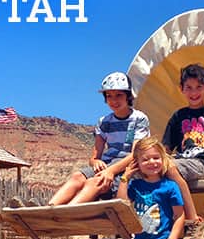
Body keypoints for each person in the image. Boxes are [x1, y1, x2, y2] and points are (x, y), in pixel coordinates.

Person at [49, 72, 151, 205]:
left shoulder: (139, 119)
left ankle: (67, 212)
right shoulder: (104, 121)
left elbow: (135, 154)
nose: (114, 100)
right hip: (108, 164)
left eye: (119, 95)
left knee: (95, 182)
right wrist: (96, 162)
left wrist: (110, 171)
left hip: (126, 167)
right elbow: (94, 157)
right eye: (109, 96)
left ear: (128, 96)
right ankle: (48, 208)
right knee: (77, 177)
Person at [117, 137, 187, 239]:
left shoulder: (170, 187)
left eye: (156, 157)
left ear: (163, 159)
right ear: (136, 163)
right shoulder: (135, 185)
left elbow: (179, 215)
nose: (151, 162)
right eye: (145, 159)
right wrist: (125, 178)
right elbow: (122, 205)